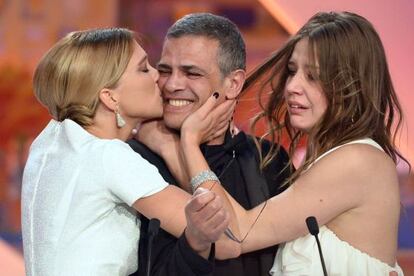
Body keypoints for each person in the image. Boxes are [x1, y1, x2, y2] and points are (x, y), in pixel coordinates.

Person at [180, 11, 409, 275]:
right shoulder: (331, 158)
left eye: (312, 76)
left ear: (351, 84)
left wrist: (189, 142)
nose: (292, 87)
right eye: (292, 71)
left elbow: (238, 233)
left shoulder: (356, 160)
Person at [21, 27, 241, 276]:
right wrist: (188, 143)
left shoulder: (48, 145)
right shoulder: (109, 157)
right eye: (144, 68)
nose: (159, 76)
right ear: (110, 97)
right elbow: (228, 241)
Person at [128, 13, 292, 276]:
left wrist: (185, 145)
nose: (172, 84)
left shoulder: (269, 160)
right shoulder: (135, 158)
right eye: (166, 70)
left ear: (233, 83)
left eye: (191, 73)